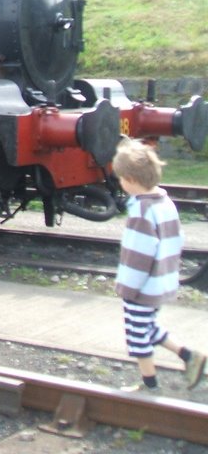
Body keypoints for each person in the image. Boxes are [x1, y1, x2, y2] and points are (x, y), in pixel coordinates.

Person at [113, 137, 205, 393]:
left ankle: (149, 385)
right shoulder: (166, 204)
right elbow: (177, 240)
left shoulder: (141, 213)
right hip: (161, 281)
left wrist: (127, 288)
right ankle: (190, 357)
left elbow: (138, 256)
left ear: (130, 179)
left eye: (121, 178)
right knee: (149, 327)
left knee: (137, 334)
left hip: (142, 288)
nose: (120, 182)